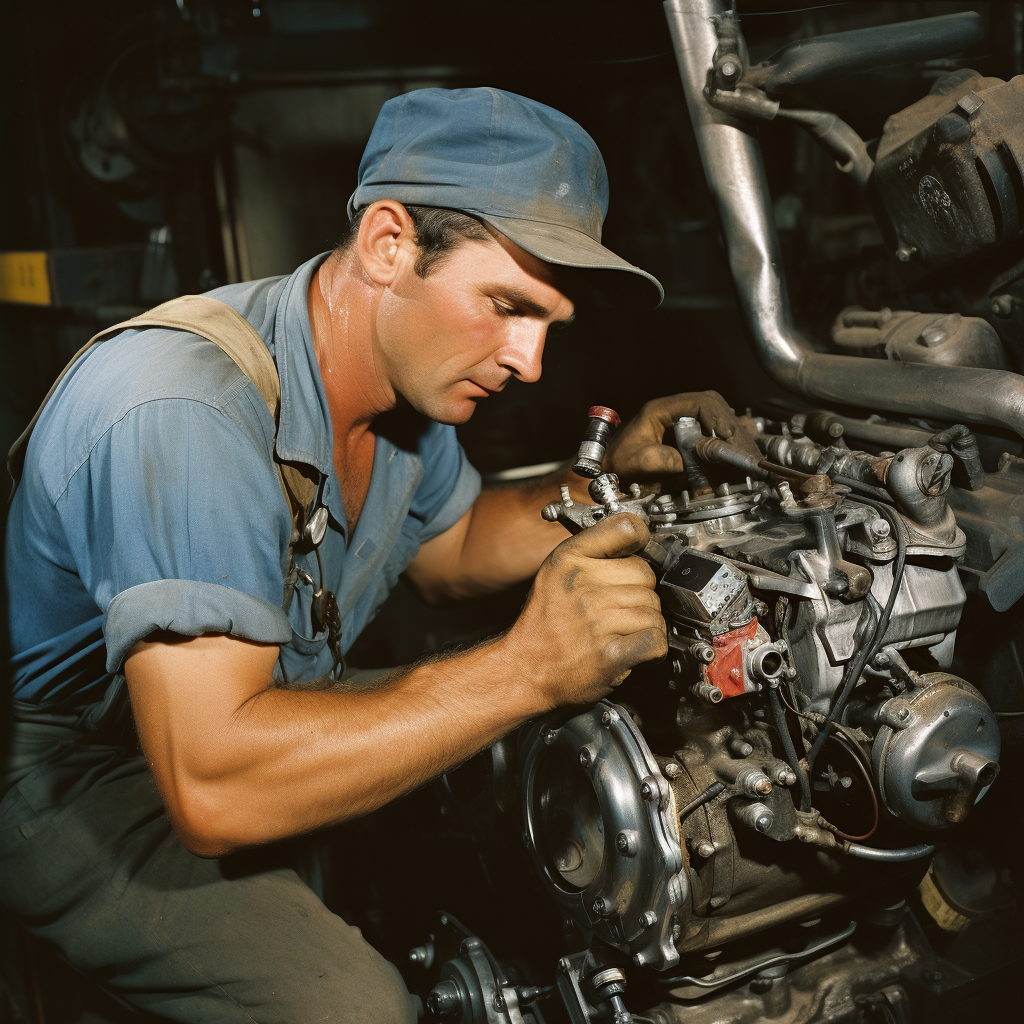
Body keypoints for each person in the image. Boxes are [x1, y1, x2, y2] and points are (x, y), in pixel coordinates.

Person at [1, 87, 738, 1022]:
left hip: (252, 708)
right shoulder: (182, 409)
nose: (531, 361)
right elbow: (214, 784)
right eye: (507, 305)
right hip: (81, 766)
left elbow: (455, 548)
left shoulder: (405, 399)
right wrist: (528, 671)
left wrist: (616, 480)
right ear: (390, 244)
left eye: (551, 323)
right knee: (354, 1006)